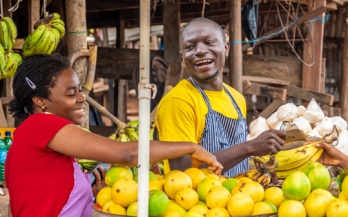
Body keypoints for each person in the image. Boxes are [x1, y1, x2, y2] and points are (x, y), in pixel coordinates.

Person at [5, 54, 223, 217]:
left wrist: (91, 192)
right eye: (71, 93)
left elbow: (47, 197)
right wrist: (191, 147)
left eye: (81, 90)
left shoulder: (44, 137)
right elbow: (127, 154)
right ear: (40, 101)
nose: (82, 98)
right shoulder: (40, 124)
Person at [156, 17, 286, 177]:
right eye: (190, 47)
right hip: (195, 200)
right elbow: (180, 170)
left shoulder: (236, 98)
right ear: (183, 55)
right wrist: (250, 147)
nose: (200, 51)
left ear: (226, 48)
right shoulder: (179, 101)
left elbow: (236, 160)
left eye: (209, 42)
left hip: (237, 197)